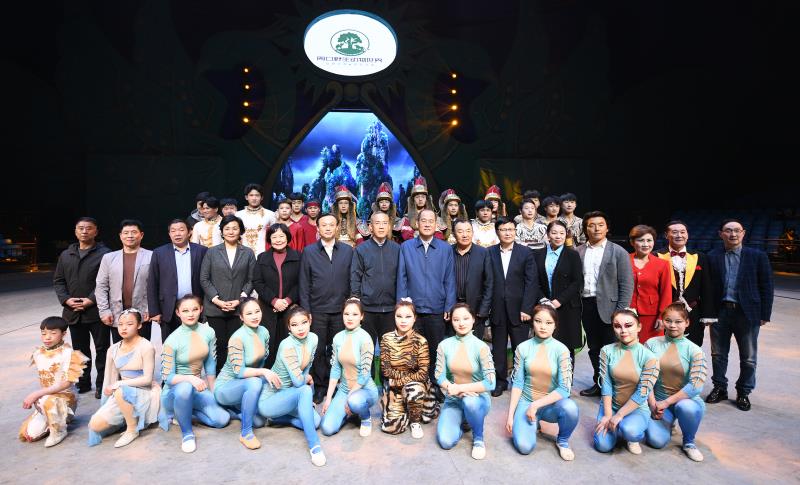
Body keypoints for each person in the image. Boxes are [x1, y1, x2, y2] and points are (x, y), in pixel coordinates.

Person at [705, 219, 774, 411]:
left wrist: (765, 313)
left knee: (749, 357)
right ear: (721, 234)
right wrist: (707, 313)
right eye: (728, 230)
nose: (733, 234)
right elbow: (708, 287)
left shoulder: (757, 256)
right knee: (718, 354)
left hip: (747, 313)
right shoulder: (712, 256)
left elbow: (767, 286)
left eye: (737, 230)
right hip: (720, 312)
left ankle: (743, 392)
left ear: (743, 233)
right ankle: (720, 388)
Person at [159, 295, 230, 453]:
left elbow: (210, 364)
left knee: (222, 419)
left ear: (201, 310)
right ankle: (187, 434)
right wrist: (190, 378)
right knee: (185, 388)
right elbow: (168, 378)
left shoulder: (208, 332)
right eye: (185, 311)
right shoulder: (172, 340)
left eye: (194, 309)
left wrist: (214, 392)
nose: (190, 314)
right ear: (178, 313)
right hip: (175, 392)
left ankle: (185, 413)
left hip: (197, 388)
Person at [506, 305, 578, 460]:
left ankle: (563, 441)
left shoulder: (562, 350)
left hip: (551, 405)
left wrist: (536, 405)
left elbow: (564, 389)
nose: (543, 327)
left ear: (555, 325)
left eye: (548, 323)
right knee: (524, 447)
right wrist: (510, 415)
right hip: (526, 402)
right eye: (538, 321)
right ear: (532, 322)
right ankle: (534, 423)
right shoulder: (522, 348)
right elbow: (517, 383)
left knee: (570, 408)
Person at [397, 208, 456, 396]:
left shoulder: (445, 249)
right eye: (424, 220)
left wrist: (449, 305)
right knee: (412, 351)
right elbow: (402, 278)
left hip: (436, 308)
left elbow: (450, 279)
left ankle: (436, 385)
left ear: (436, 224)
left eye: (431, 221)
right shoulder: (406, 247)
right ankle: (415, 387)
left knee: (435, 350)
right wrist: (403, 307)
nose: (428, 224)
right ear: (417, 223)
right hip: (413, 311)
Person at [257, 306, 326, 466]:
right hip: (271, 400)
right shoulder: (286, 345)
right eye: (294, 325)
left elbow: (307, 367)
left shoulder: (313, 338)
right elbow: (298, 382)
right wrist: (306, 379)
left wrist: (305, 379)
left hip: (290, 396)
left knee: (316, 422)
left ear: (310, 321)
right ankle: (314, 446)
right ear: (289, 327)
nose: (300, 328)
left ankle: (278, 420)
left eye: (304, 322)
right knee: (304, 390)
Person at [576, 211, 634, 397]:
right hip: (586, 305)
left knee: (612, 349)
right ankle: (599, 383)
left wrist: (621, 312)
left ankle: (614, 387)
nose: (596, 229)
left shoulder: (618, 251)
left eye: (600, 225)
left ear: (607, 228)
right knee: (594, 348)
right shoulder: (578, 251)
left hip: (611, 308)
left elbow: (626, 283)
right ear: (585, 229)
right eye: (591, 225)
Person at [299, 213, 354, 403]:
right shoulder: (309, 252)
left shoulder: (348, 250)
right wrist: (306, 311)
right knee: (319, 351)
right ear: (318, 228)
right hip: (317, 310)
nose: (328, 228)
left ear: (337, 227)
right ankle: (321, 387)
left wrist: (350, 307)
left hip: (341, 311)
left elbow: (352, 279)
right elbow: (304, 284)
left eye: (332, 225)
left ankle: (339, 385)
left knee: (338, 351)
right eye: (324, 225)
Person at [53, 216, 110, 396]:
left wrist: (91, 300)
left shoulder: (105, 254)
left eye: (89, 228)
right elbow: (59, 281)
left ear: (96, 231)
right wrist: (66, 300)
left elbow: (107, 281)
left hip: (96, 310)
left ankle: (102, 385)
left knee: (102, 350)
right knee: (79, 351)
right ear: (75, 231)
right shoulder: (66, 255)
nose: (84, 231)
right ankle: (83, 383)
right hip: (73, 312)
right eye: (81, 228)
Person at [87, 309, 160, 447]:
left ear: (139, 325)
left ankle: (132, 429)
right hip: (120, 392)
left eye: (129, 324)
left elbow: (147, 379)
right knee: (95, 425)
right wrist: (106, 401)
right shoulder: (113, 349)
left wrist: (120, 384)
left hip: (143, 390)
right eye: (120, 324)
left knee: (121, 391)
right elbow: (110, 379)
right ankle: (127, 418)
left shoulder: (146, 346)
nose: (124, 328)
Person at [645, 303, 708, 462]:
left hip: (686, 401)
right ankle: (668, 422)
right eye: (668, 321)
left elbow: (696, 386)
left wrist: (667, 402)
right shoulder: (651, 344)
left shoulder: (695, 350)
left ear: (687, 323)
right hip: (658, 403)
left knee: (685, 407)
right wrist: (652, 404)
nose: (672, 325)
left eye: (678, 322)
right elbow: (645, 377)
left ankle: (689, 442)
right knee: (656, 441)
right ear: (663, 321)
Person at [593, 309, 660, 455]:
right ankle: (619, 427)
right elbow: (606, 384)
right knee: (602, 446)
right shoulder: (606, 350)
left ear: (639, 327)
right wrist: (608, 414)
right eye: (617, 326)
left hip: (636, 409)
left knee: (630, 431)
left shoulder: (650, 357)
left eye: (629, 325)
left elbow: (642, 393)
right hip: (611, 406)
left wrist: (619, 415)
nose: (623, 331)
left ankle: (633, 432)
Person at [214, 298, 277, 450]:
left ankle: (235, 411)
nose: (255, 316)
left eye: (257, 311)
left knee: (259, 422)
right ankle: (245, 433)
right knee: (256, 381)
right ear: (241, 317)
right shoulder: (237, 338)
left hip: (247, 383)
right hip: (226, 387)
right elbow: (239, 372)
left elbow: (261, 361)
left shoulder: (264, 332)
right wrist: (263, 372)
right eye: (249, 313)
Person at [435, 303, 496, 460]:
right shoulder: (444, 345)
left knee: (470, 403)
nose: (461, 323)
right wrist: (453, 389)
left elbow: (490, 383)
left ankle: (478, 439)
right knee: (445, 441)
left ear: (473, 319)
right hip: (454, 399)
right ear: (451, 321)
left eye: (465, 318)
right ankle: (464, 422)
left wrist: (461, 388)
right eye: (456, 319)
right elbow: (439, 376)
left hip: (477, 399)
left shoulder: (482, 347)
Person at [488, 217, 540, 397]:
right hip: (497, 309)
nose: (507, 233)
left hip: (520, 310)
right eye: (503, 230)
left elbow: (531, 282)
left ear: (515, 231)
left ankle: (521, 381)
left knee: (521, 348)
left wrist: (527, 308)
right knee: (498, 348)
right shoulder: (489, 252)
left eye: (511, 229)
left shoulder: (525, 252)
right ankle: (500, 381)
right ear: (497, 232)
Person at [19, 316, 88, 447]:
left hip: (65, 399)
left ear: (64, 334)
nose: (47, 337)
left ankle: (60, 430)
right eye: (44, 333)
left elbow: (66, 383)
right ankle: (50, 416)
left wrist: (37, 394)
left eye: (53, 333)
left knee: (45, 399)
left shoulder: (69, 353)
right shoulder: (38, 353)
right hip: (46, 398)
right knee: (31, 435)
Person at [200, 214, 256, 374]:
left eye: (235, 228)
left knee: (236, 345)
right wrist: (216, 300)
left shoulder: (248, 253)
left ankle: (234, 375)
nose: (231, 232)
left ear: (241, 231)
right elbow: (204, 278)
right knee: (218, 345)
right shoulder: (211, 252)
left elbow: (252, 279)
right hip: (215, 308)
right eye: (227, 229)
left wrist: (240, 299)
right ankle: (218, 377)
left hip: (238, 308)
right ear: (222, 231)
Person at [320, 298, 379, 437]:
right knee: (327, 428)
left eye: (355, 314)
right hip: (344, 389)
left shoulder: (365, 338)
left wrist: (348, 398)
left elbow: (364, 375)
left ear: (362, 316)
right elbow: (335, 369)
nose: (350, 318)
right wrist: (328, 399)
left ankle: (365, 417)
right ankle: (348, 415)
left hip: (365, 390)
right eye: (346, 314)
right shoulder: (337, 338)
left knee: (354, 401)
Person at [380, 301, 440, 437]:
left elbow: (422, 374)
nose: (403, 321)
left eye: (408, 316)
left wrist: (398, 381)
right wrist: (400, 382)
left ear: (414, 318)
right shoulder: (386, 339)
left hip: (416, 385)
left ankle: (415, 421)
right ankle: (405, 409)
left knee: (414, 391)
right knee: (391, 428)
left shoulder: (421, 341)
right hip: (395, 389)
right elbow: (386, 370)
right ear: (394, 317)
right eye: (399, 316)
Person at [350, 211, 400, 364]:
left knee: (390, 353)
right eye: (377, 223)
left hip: (391, 309)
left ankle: (387, 379)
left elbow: (402, 277)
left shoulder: (397, 249)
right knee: (366, 352)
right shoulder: (361, 249)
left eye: (385, 223)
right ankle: (366, 378)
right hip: (368, 308)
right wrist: (356, 299)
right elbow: (355, 276)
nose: (381, 226)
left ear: (389, 226)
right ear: (370, 227)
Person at [656, 221, 715, 346]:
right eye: (674, 232)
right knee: (664, 349)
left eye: (682, 232)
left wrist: (707, 314)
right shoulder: (656, 256)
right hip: (665, 312)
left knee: (692, 347)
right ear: (666, 235)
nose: (679, 235)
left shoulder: (700, 257)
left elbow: (706, 287)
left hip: (693, 312)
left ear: (687, 235)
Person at [147, 219, 208, 342]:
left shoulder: (202, 250)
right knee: (170, 344)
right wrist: (154, 311)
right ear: (169, 234)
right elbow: (153, 282)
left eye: (181, 230)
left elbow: (207, 278)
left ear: (189, 232)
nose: (177, 234)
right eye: (173, 231)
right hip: (168, 307)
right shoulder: (159, 252)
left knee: (195, 344)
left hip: (194, 306)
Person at [533, 220, 584, 364]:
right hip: (544, 306)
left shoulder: (572, 255)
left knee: (566, 348)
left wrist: (559, 301)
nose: (558, 236)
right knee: (545, 346)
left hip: (567, 306)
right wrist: (543, 299)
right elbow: (533, 281)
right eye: (554, 233)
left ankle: (566, 377)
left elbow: (577, 282)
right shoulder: (538, 254)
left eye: (562, 233)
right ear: (548, 235)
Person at [96, 219, 153, 343]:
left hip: (143, 314)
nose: (130, 236)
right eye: (126, 233)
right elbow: (101, 286)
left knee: (142, 349)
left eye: (134, 232)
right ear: (120, 236)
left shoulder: (152, 256)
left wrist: (151, 308)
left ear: (141, 235)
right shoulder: (109, 258)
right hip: (116, 314)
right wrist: (104, 310)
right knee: (120, 349)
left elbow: (156, 286)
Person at [253, 223, 301, 368]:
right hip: (268, 309)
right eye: (274, 237)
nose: (278, 240)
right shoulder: (262, 257)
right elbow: (257, 282)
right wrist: (274, 301)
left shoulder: (298, 257)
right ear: (269, 239)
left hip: (290, 308)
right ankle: (268, 375)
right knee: (269, 345)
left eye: (281, 236)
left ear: (287, 237)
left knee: (289, 345)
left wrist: (287, 301)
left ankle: (288, 375)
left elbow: (302, 282)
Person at [628, 225, 672, 343]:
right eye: (641, 240)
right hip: (627, 314)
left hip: (652, 316)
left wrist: (662, 316)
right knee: (628, 349)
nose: (646, 244)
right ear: (632, 242)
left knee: (651, 349)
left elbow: (666, 293)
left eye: (649, 240)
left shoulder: (662, 264)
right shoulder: (623, 260)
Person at [452, 219, 493, 335]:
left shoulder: (483, 253)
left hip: (476, 308)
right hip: (453, 307)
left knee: (475, 343)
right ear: (454, 234)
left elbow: (489, 283)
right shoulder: (447, 252)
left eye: (468, 231)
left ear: (473, 232)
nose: (465, 235)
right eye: (460, 231)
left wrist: (484, 309)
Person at [236, 183, 276, 257]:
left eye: (257, 195)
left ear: (262, 197)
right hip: (242, 254)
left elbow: (275, 235)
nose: (254, 198)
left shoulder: (270, 214)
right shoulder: (238, 215)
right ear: (246, 197)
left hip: (263, 254)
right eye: (251, 195)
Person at [400, 176, 446, 241]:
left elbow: (439, 236)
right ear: (413, 200)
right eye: (417, 197)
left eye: (423, 197)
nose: (420, 199)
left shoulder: (435, 217)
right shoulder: (407, 219)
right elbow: (407, 236)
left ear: (426, 199)